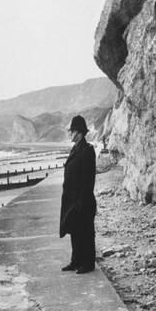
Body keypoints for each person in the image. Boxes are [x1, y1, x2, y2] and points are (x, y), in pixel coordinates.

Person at [59, 115, 97, 274]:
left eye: (72, 131)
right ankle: (76, 261)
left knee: (86, 231)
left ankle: (88, 263)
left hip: (83, 199)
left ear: (79, 132)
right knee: (75, 230)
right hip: (71, 198)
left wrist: (82, 199)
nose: (70, 133)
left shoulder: (87, 150)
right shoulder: (75, 149)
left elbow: (89, 179)